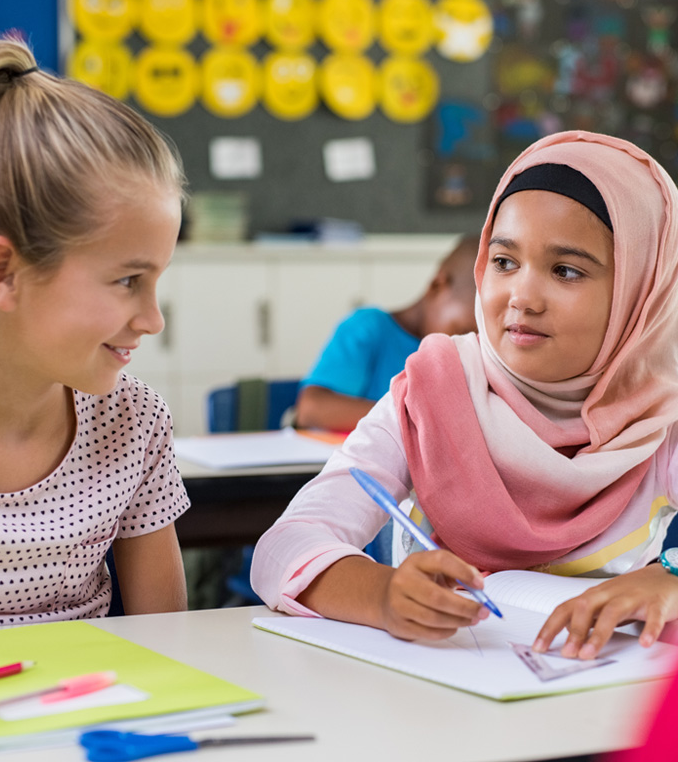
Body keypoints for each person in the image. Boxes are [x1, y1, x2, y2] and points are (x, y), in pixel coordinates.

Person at [252, 130, 678, 661]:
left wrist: (669, 582)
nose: (521, 296)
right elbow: (279, 550)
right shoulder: (429, 396)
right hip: (439, 707)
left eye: (566, 271)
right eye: (504, 262)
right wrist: (382, 596)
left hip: (598, 709)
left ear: (643, 293)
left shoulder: (659, 423)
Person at [0, 39, 190, 634]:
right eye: (128, 280)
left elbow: (171, 645)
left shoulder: (134, 421)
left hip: (93, 723)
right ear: (3, 273)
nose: (153, 319)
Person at [294, 234, 480, 433]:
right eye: (463, 331)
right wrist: (416, 419)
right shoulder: (368, 328)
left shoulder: (465, 357)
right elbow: (310, 408)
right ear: (437, 285)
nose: (465, 344)